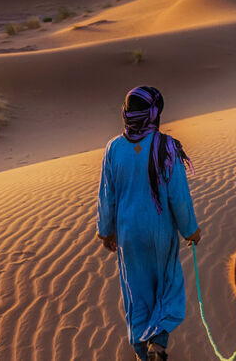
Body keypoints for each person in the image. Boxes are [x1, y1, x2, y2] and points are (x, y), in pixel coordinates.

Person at [97, 86, 202, 361]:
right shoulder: (166, 146)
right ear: (155, 114)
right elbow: (179, 196)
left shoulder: (113, 148)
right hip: (160, 232)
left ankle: (141, 352)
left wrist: (105, 231)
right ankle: (159, 343)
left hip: (128, 233)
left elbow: (107, 195)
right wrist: (190, 229)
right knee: (167, 285)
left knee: (137, 290)